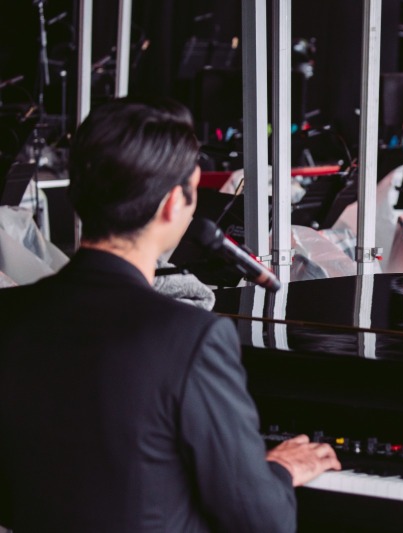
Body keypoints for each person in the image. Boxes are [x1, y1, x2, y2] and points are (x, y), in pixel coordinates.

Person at [0, 98, 340, 532]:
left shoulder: (9, 314)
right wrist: (276, 470)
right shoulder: (192, 338)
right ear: (170, 205)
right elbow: (263, 521)